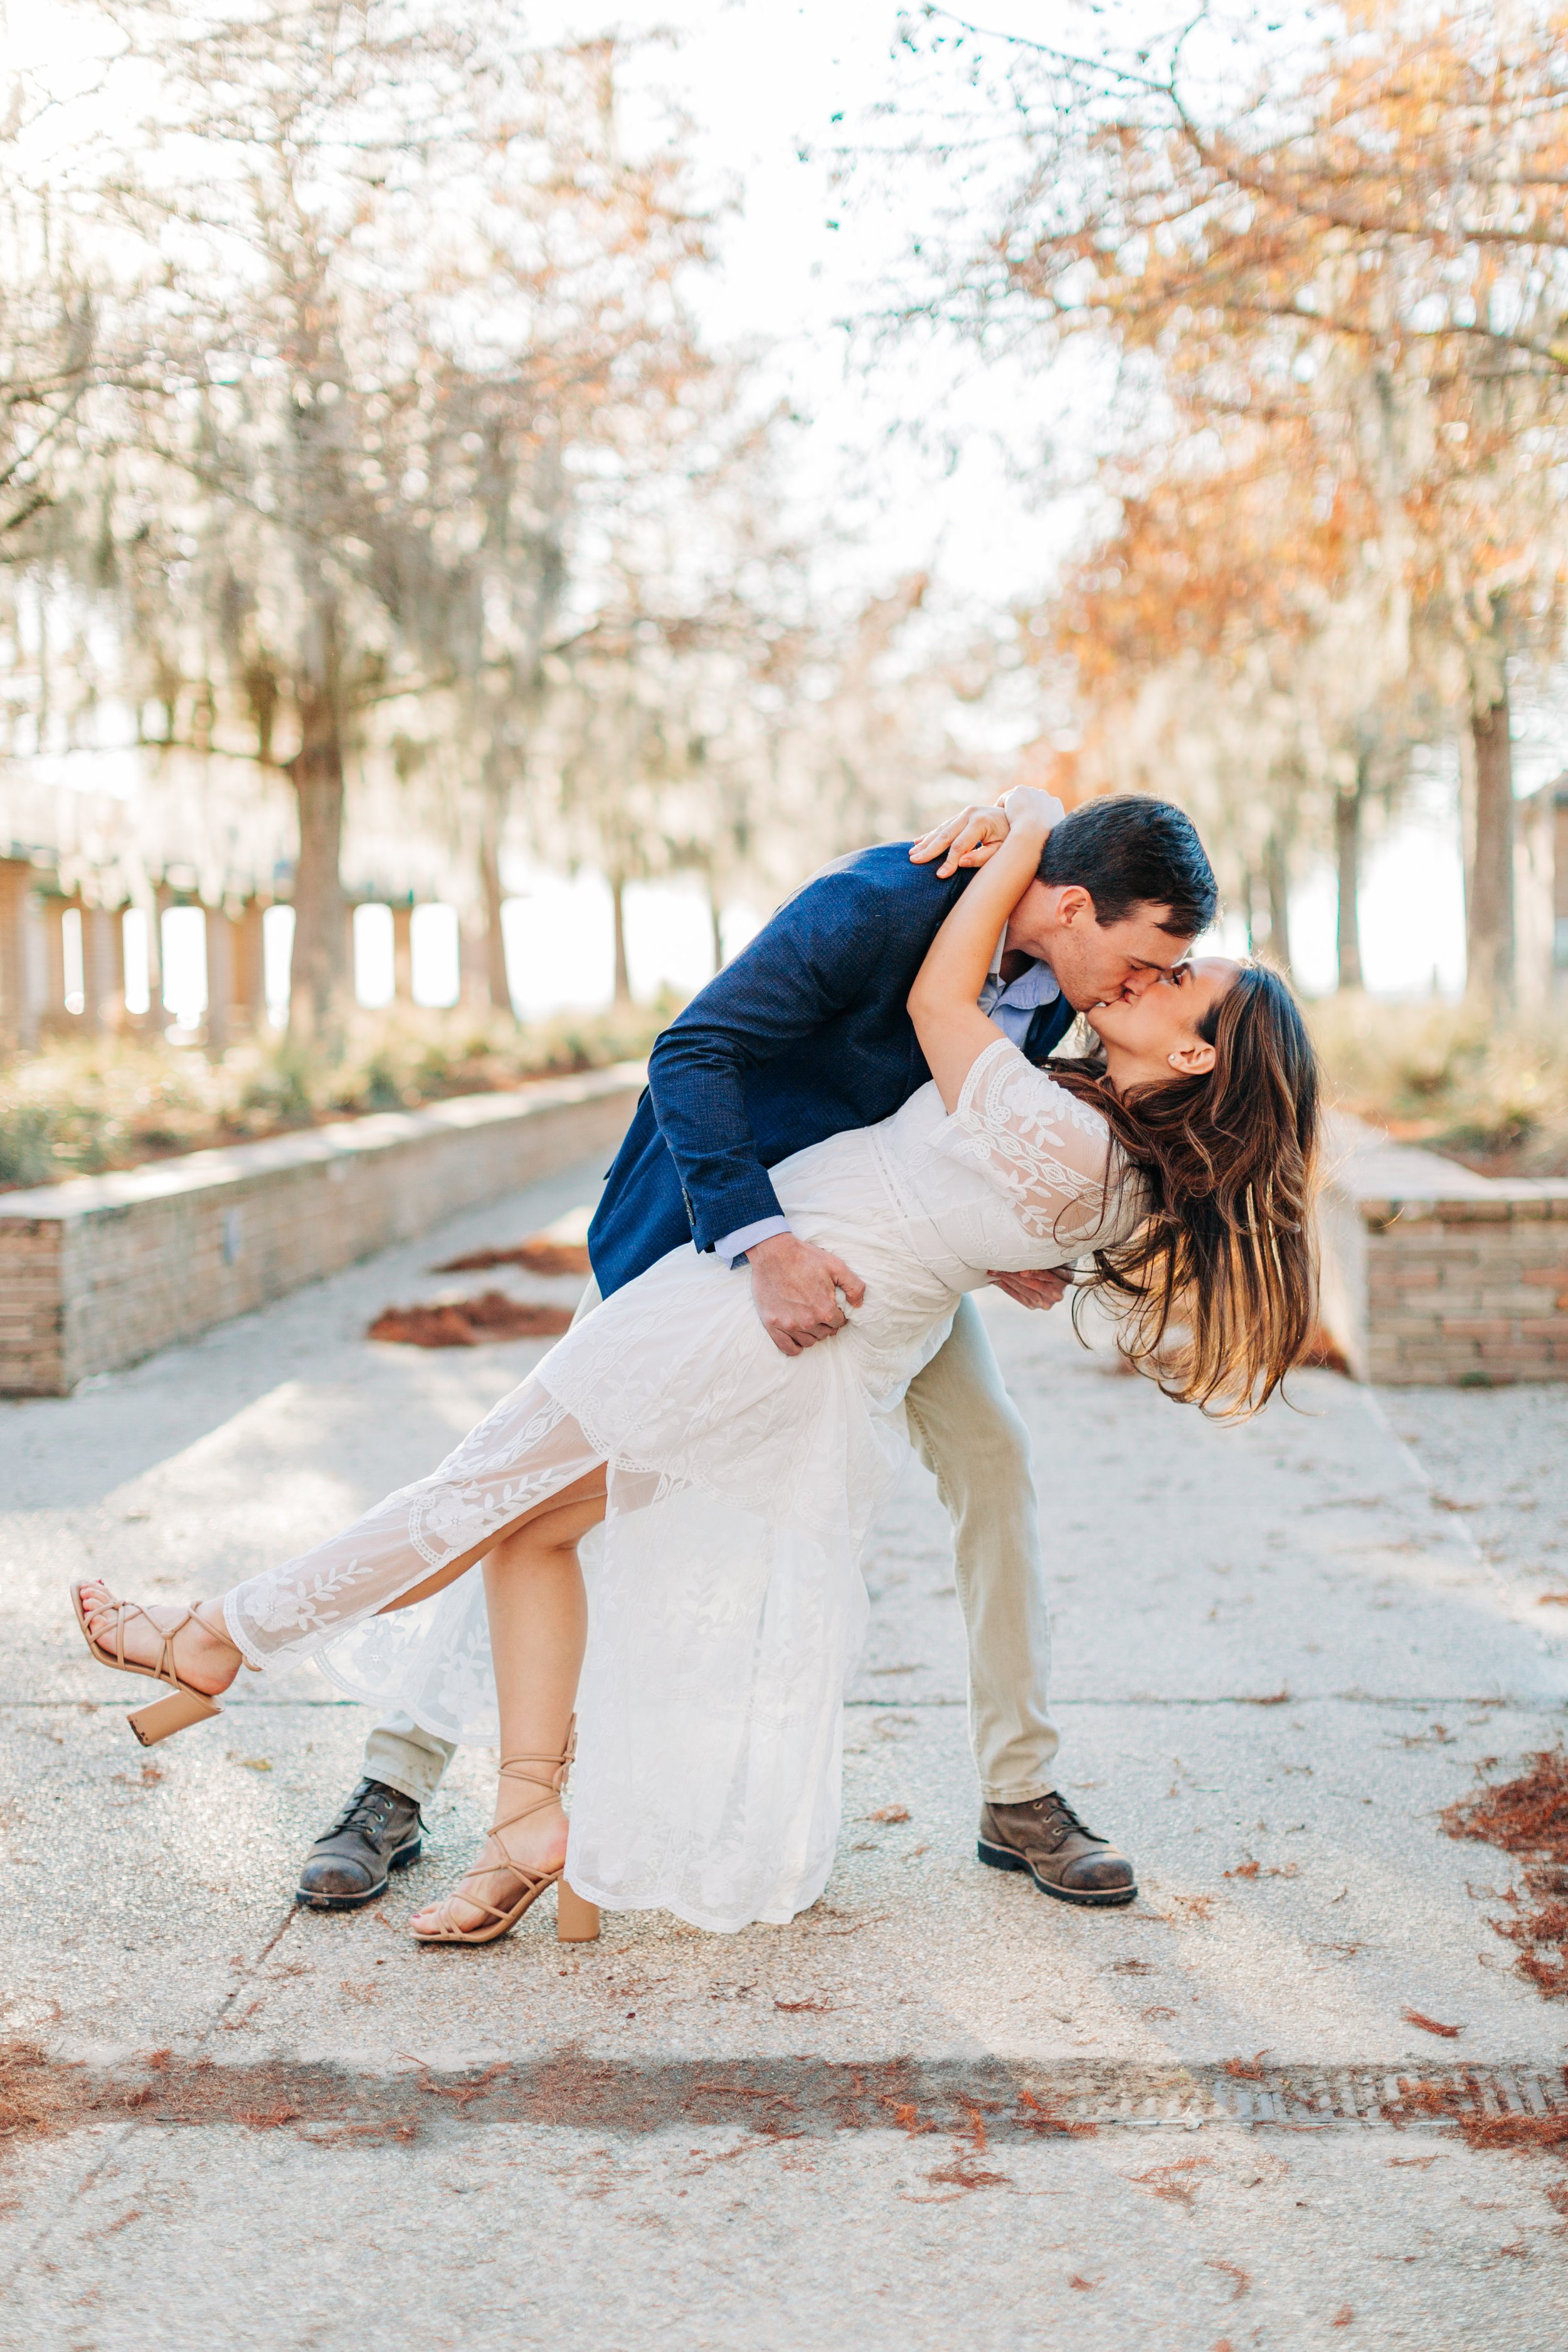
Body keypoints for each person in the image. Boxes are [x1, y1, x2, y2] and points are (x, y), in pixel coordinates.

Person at [72, 787, 1320, 1947]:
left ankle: (220, 1636)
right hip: (740, 1274)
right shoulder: (999, 1021)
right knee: (522, 1528)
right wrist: (970, 1236)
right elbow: (721, 1062)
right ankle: (521, 1826)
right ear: (1068, 909)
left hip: (761, 1323)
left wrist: (1033, 819)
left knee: (473, 1498)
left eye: (1172, 977)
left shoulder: (1060, 1065)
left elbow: (950, 1035)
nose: (1144, 977)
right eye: (1150, 953)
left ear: (1197, 1052)